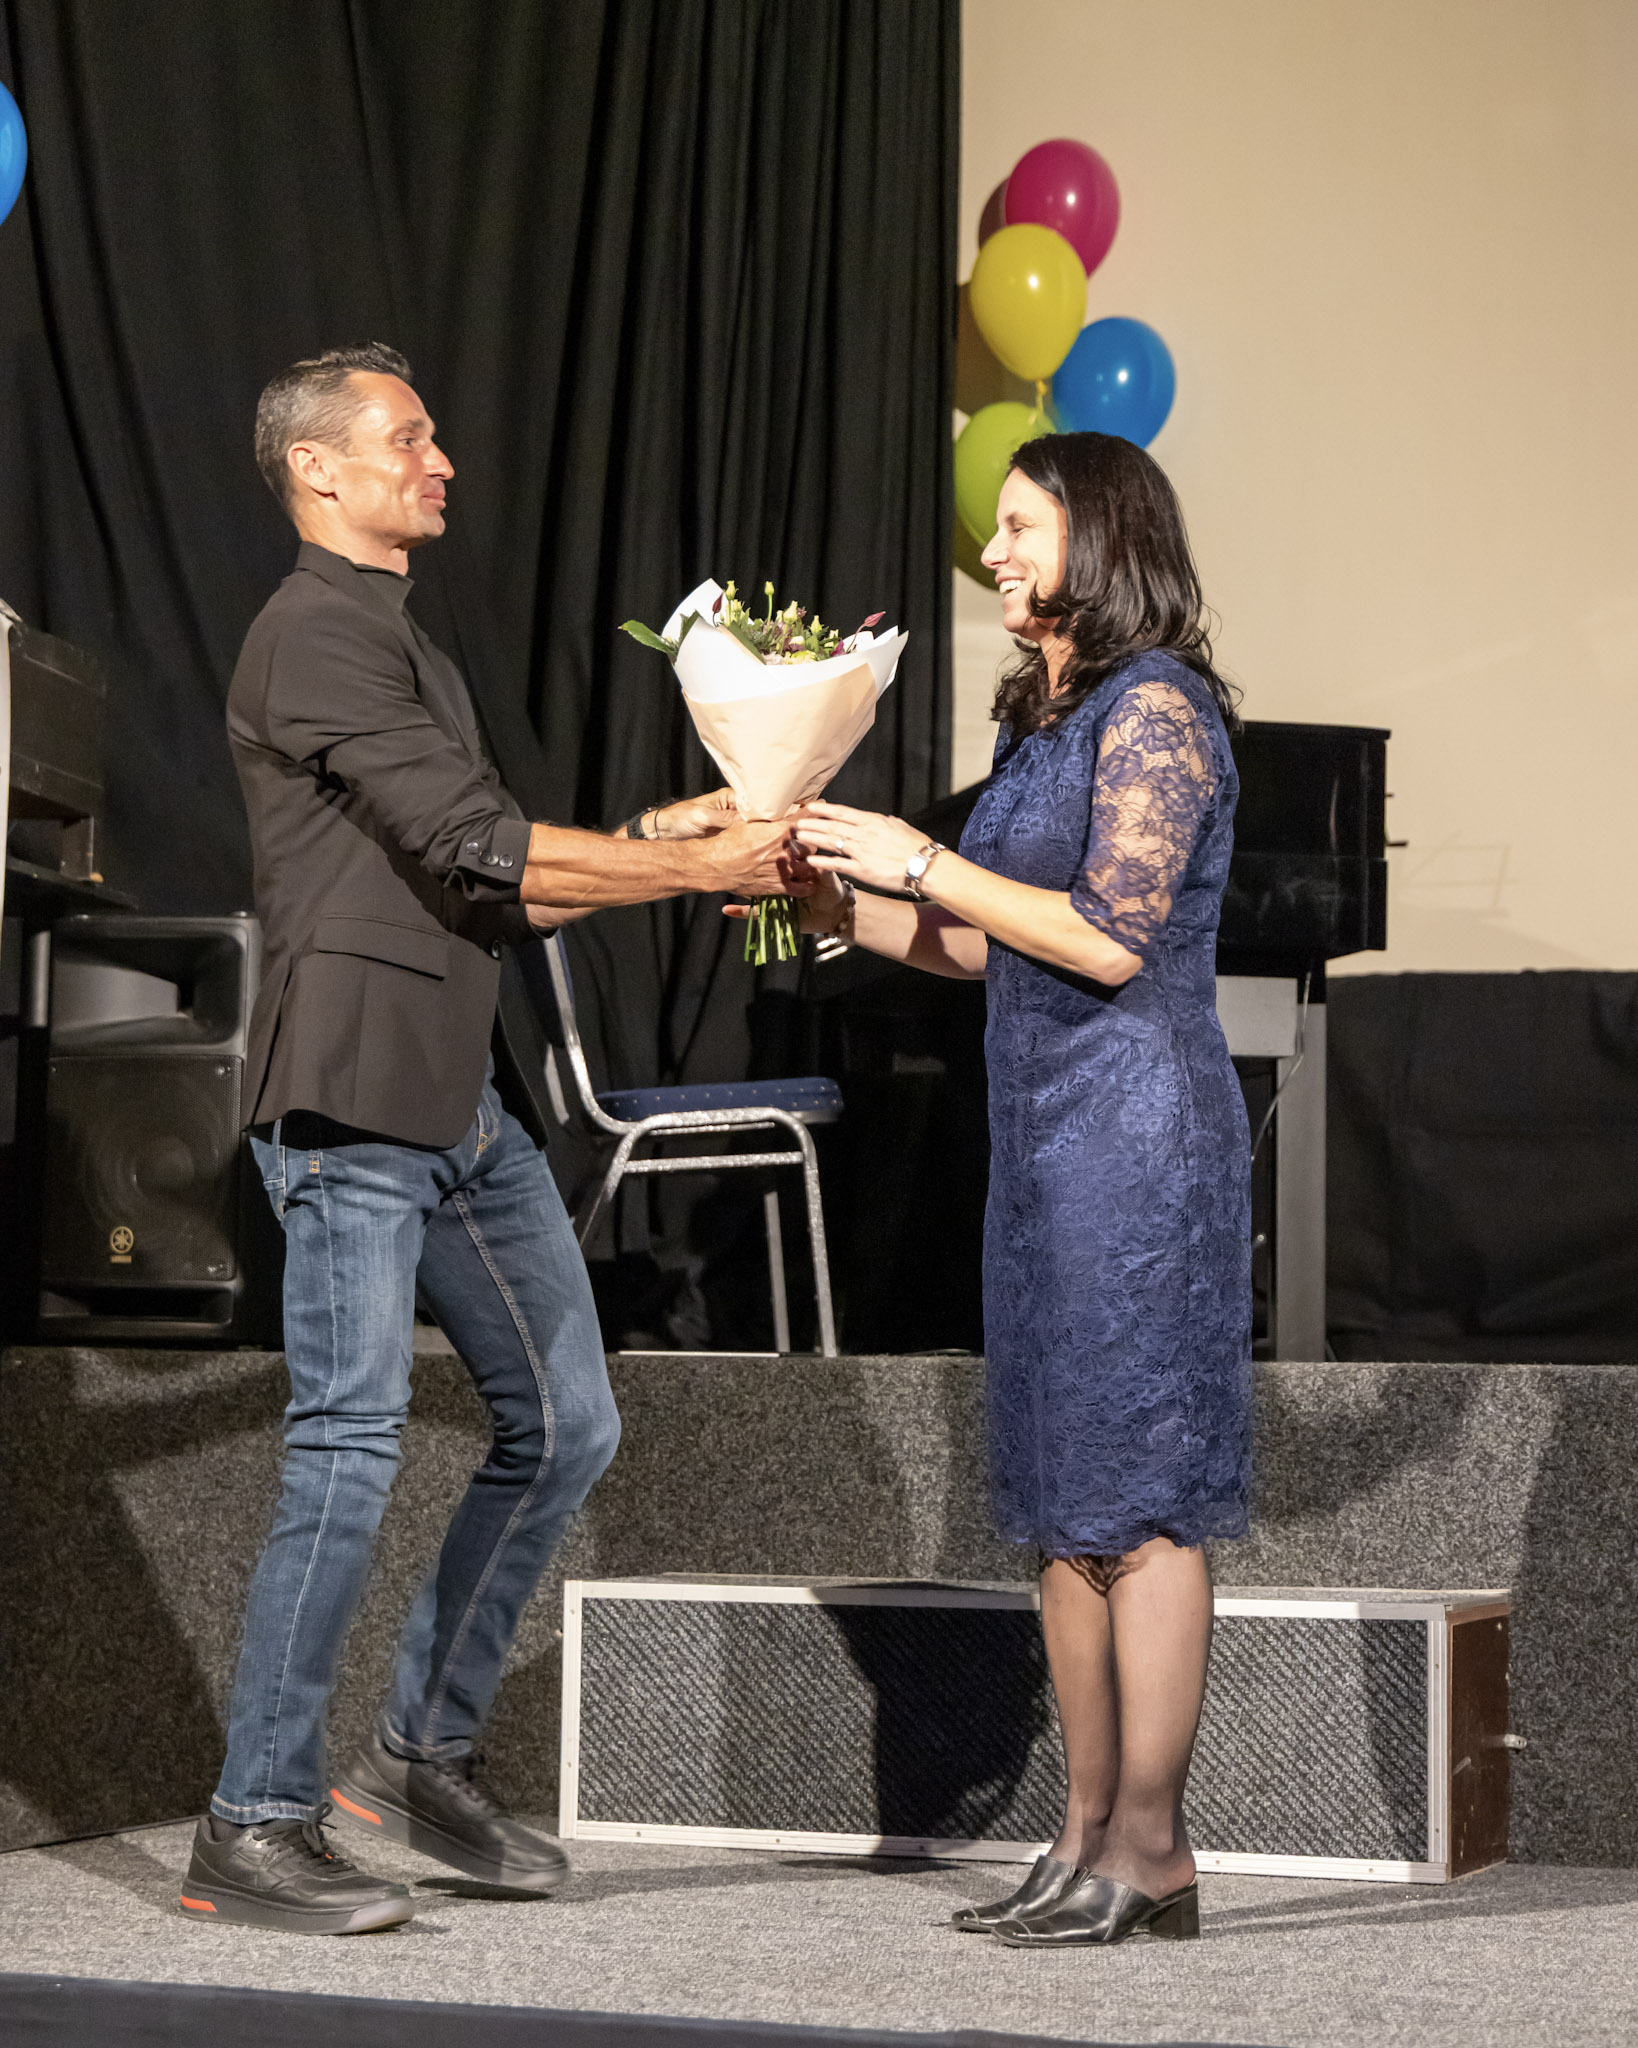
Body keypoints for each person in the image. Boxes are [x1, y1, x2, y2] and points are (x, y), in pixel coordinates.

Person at [183, 342, 799, 1935]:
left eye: (435, 436)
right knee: (347, 1449)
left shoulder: (399, 642)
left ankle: (420, 1754)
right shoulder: (312, 635)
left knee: (568, 1423)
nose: (439, 459)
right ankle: (253, 1821)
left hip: (455, 1099)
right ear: (318, 469)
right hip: (350, 1102)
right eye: (406, 438)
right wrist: (691, 872)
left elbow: (487, 883)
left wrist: (662, 835)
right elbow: (480, 850)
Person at [786, 433, 1251, 1949]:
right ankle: (1080, 1832)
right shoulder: (1043, 716)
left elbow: (1111, 935)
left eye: (1020, 527)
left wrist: (916, 857)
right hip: (1043, 1145)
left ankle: (1154, 1847)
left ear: (1099, 540)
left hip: (1141, 1139)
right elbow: (992, 945)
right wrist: (836, 904)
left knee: (1141, 1500)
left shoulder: (1157, 707)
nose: (993, 553)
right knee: (1060, 1505)